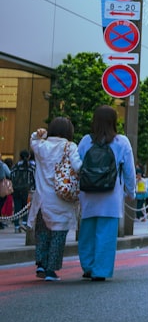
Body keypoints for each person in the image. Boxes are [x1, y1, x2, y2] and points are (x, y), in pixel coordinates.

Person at [78, 105, 137, 281]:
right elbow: (129, 171)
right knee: (106, 234)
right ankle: (100, 270)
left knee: (87, 232)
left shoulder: (85, 141)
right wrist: (131, 191)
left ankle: (88, 266)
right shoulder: (121, 142)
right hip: (111, 195)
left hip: (88, 194)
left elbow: (77, 166)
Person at [27, 119, 81, 281]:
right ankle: (51, 270)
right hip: (60, 199)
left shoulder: (42, 146)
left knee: (42, 233)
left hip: (41, 200)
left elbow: (33, 140)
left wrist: (38, 133)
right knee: (58, 234)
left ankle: (41, 264)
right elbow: (78, 166)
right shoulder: (70, 147)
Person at [10, 150, 35, 233]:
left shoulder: (15, 166)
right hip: (26, 190)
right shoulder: (30, 167)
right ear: (28, 157)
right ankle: (24, 223)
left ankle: (16, 226)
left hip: (16, 189)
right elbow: (34, 178)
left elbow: (11, 176)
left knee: (17, 208)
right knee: (26, 207)